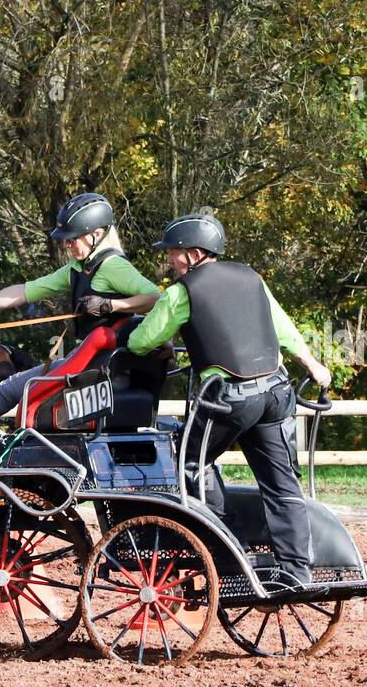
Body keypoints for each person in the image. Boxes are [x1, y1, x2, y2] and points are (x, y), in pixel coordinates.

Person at [123, 211, 332, 587]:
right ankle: (296, 570)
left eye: (172, 252)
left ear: (192, 253)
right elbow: (283, 327)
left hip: (229, 400)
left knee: (188, 461)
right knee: (282, 483)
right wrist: (312, 363)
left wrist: (148, 335)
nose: (169, 260)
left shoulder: (182, 292)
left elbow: (141, 342)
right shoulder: (251, 278)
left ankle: (226, 552)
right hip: (276, 392)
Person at [0, 192, 161, 436]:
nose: (66, 244)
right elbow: (26, 291)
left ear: (96, 235)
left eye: (72, 239)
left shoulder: (112, 266)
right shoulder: (77, 269)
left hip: (104, 375)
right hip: (90, 367)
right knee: (12, 388)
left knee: (9, 388)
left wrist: (109, 305)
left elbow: (155, 298)